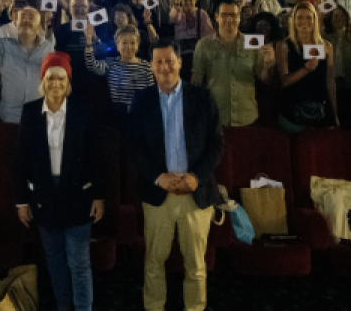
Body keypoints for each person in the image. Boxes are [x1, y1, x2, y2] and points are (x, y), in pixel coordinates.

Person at [126, 39, 224, 311]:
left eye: (170, 60)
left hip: (196, 193)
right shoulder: (141, 99)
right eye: (158, 61)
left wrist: (196, 177)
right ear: (151, 65)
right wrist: (159, 177)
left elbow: (217, 143)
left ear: (180, 61)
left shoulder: (203, 98)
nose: (164, 66)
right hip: (159, 194)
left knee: (195, 266)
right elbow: (134, 147)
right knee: (154, 263)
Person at [13, 52, 106, 311]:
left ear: (68, 81)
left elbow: (95, 157)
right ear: (43, 80)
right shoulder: (30, 112)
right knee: (54, 261)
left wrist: (98, 195)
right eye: (51, 77)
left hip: (77, 196)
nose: (56, 83)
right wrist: (22, 201)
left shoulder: (82, 111)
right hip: (43, 197)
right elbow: (21, 160)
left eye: (61, 78)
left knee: (78, 263)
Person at [192, 1, 276, 127]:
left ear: (239, 18)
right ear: (217, 17)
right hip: (217, 117)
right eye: (225, 15)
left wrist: (268, 65)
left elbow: (264, 79)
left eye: (234, 15)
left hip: (246, 116)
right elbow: (196, 82)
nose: (230, 19)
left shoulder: (252, 43)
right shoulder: (204, 45)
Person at [0, 0, 55, 123]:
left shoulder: (47, 47)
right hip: (10, 114)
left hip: (36, 115)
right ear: (16, 22)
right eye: (22, 17)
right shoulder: (6, 45)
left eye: (31, 17)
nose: (26, 20)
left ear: (38, 24)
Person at [277, 3, 340, 133]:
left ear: (314, 20)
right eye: (300, 17)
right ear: (293, 21)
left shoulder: (326, 46)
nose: (304, 21)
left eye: (308, 17)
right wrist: (306, 70)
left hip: (319, 112)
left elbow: (330, 81)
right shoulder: (284, 45)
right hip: (293, 113)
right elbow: (284, 81)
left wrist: (334, 113)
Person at [84, 24, 155, 122]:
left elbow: (151, 95)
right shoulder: (111, 63)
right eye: (124, 43)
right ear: (117, 46)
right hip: (116, 117)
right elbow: (92, 65)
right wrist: (88, 41)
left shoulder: (146, 66)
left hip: (140, 117)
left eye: (132, 43)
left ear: (138, 45)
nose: (128, 47)